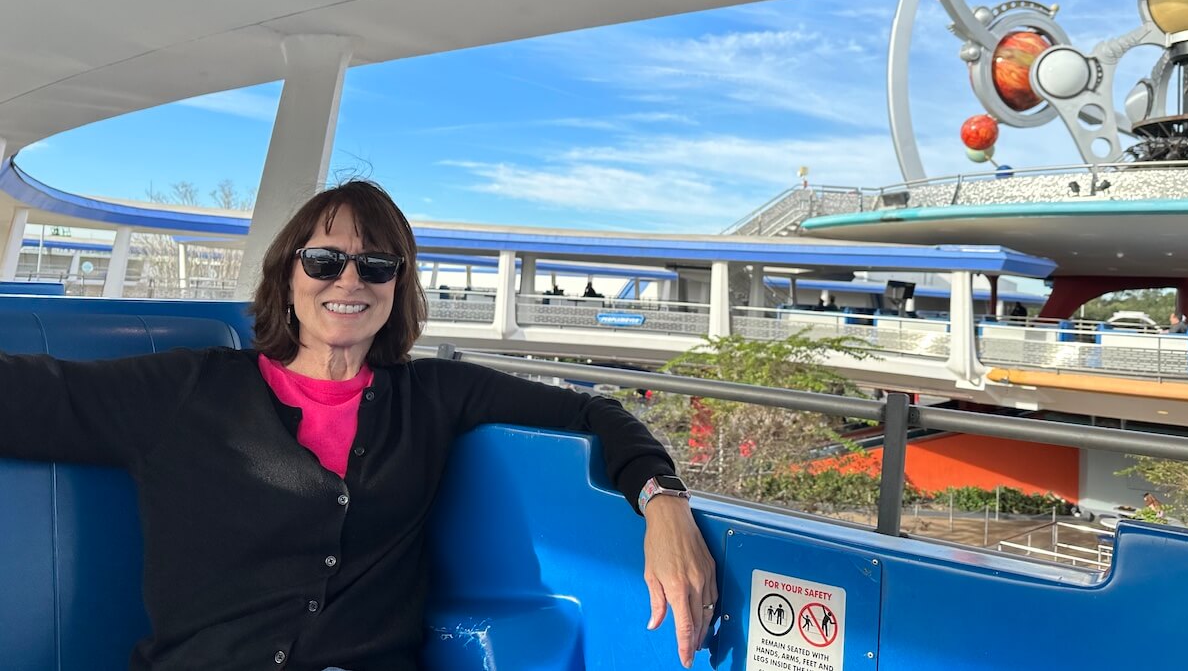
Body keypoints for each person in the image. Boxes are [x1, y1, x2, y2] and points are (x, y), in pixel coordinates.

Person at [0, 181, 716, 671]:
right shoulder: (188, 389)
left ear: (397, 286)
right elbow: (31, 398)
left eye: (375, 264)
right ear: (289, 273)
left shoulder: (434, 395)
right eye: (325, 259)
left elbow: (595, 411)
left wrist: (663, 500)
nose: (350, 280)